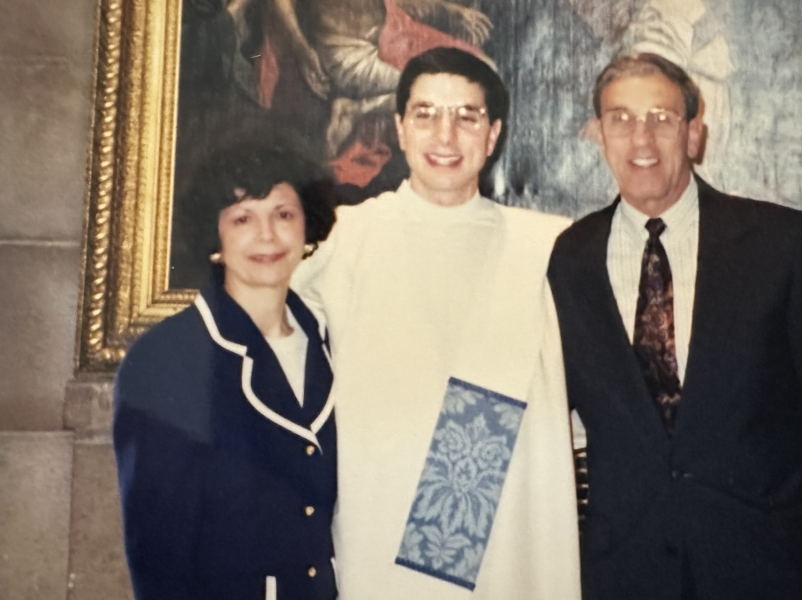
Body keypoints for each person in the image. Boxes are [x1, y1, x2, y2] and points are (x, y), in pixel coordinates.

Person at [548, 52, 802, 599]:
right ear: (599, 134)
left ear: (694, 134)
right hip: (628, 578)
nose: (642, 138)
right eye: (621, 118)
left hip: (772, 576)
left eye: (661, 117)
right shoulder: (568, 260)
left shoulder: (785, 246)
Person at [293, 47, 581, 599]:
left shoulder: (545, 245)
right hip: (383, 530)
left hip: (513, 533)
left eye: (466, 117)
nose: (445, 137)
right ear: (400, 129)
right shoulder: (351, 237)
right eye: (425, 115)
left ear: (492, 134)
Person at [113, 141, 338, 600]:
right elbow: (158, 553)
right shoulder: (165, 359)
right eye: (242, 218)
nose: (268, 236)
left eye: (283, 214)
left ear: (307, 227)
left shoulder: (331, 340)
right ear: (214, 239)